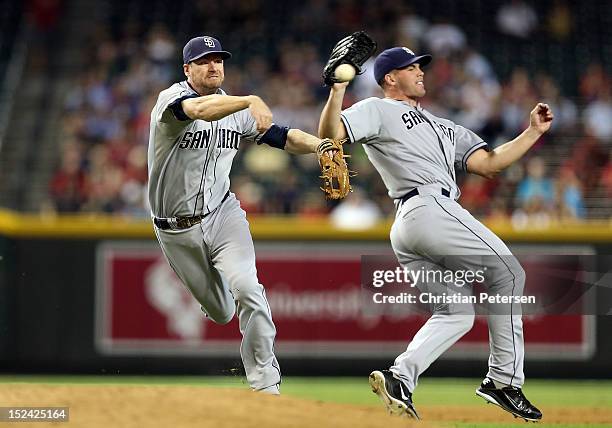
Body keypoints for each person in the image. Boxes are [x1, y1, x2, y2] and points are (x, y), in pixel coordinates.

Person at [319, 46, 553, 421]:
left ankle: (400, 378)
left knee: (456, 312)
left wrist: (531, 133)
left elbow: (489, 164)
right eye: (411, 68)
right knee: (509, 273)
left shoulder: (445, 126)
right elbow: (331, 135)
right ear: (390, 78)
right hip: (426, 208)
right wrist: (335, 91)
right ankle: (504, 381)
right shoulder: (377, 108)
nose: (421, 72)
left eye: (420, 66)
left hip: (413, 225)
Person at [148, 35, 332, 394]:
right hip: (175, 229)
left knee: (249, 288)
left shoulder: (236, 112)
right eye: (203, 60)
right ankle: (218, 302)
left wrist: (319, 145)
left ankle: (265, 386)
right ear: (187, 69)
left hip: (223, 214)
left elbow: (280, 136)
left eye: (218, 59)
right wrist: (250, 99)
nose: (213, 65)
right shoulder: (170, 101)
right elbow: (199, 110)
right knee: (221, 313)